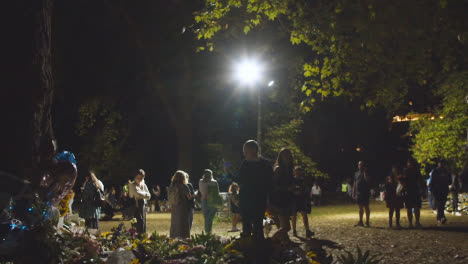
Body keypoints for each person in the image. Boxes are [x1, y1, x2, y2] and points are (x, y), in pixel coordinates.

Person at [239, 140, 273, 240]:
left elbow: (269, 183)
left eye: (245, 150)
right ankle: (247, 245)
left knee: (258, 224)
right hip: (245, 198)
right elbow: (241, 180)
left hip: (259, 198)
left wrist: (269, 199)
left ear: (253, 150)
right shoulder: (245, 164)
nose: (244, 152)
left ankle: (258, 246)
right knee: (246, 225)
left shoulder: (265, 164)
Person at [270, 148, 295, 240]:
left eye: (289, 155)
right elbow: (273, 187)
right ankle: (270, 242)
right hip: (279, 201)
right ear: (280, 157)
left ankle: (285, 244)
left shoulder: (289, 170)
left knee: (282, 227)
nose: (287, 157)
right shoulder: (278, 169)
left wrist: (294, 188)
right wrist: (287, 188)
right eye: (285, 155)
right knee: (286, 227)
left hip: (286, 200)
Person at [291, 166, 314, 237]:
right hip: (294, 199)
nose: (298, 173)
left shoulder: (303, 180)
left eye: (299, 171)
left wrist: (304, 194)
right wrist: (294, 192)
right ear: (294, 172)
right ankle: (294, 230)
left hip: (301, 199)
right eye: (296, 171)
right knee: (293, 215)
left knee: (304, 215)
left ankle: (307, 230)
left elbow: (306, 189)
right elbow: (290, 188)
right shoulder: (292, 180)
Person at [168, 170, 191, 238]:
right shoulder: (184, 186)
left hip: (174, 206)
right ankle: (183, 237)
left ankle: (173, 236)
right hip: (182, 206)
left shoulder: (172, 186)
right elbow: (189, 197)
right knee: (182, 222)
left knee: (174, 222)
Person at [402, 159, 424, 228]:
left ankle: (415, 222)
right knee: (410, 207)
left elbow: (420, 181)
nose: (409, 164)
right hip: (410, 191)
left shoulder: (410, 171)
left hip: (414, 191)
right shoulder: (409, 171)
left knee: (415, 207)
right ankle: (412, 223)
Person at [128, 169, 151, 234]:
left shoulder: (143, 184)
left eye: (142, 178)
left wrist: (141, 193)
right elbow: (136, 194)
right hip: (134, 206)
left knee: (143, 223)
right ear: (135, 177)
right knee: (135, 225)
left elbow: (149, 196)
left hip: (142, 206)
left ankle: (142, 237)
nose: (140, 179)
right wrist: (144, 194)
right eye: (138, 177)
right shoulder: (132, 185)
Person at [198, 169, 219, 234]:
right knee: (210, 217)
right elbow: (217, 192)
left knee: (207, 217)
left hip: (204, 200)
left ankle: (208, 232)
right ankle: (209, 231)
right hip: (213, 201)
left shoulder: (201, 181)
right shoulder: (214, 182)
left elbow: (201, 191)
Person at [352, 161, 371, 227]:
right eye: (359, 165)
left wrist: (365, 173)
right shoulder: (356, 173)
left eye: (362, 165)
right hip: (358, 193)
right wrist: (353, 192)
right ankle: (360, 221)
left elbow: (368, 181)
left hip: (365, 192)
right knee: (360, 208)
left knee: (366, 207)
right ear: (358, 166)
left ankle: (367, 221)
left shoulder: (366, 172)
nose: (360, 166)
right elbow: (355, 183)